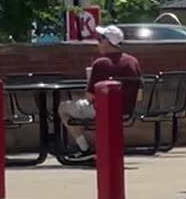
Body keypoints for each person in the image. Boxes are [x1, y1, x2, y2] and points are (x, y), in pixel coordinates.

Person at [57, 24, 142, 154]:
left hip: (103, 110)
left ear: (107, 42)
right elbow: (140, 95)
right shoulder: (133, 62)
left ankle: (84, 150)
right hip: (126, 110)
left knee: (63, 107)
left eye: (99, 39)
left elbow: (89, 97)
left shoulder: (100, 63)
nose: (98, 43)